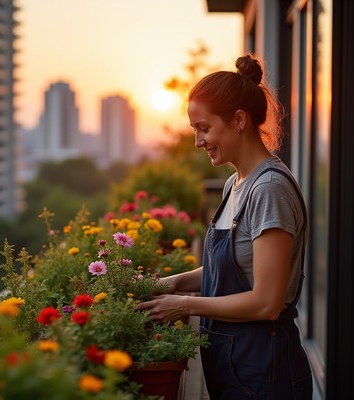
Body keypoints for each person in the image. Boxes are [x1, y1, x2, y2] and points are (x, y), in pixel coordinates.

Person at [137, 54, 313, 399]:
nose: (198, 141)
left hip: (266, 371)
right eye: (195, 130)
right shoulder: (236, 182)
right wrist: (165, 284)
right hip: (235, 366)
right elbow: (230, 267)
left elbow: (266, 302)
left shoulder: (269, 190)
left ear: (238, 120)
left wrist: (184, 304)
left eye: (205, 128)